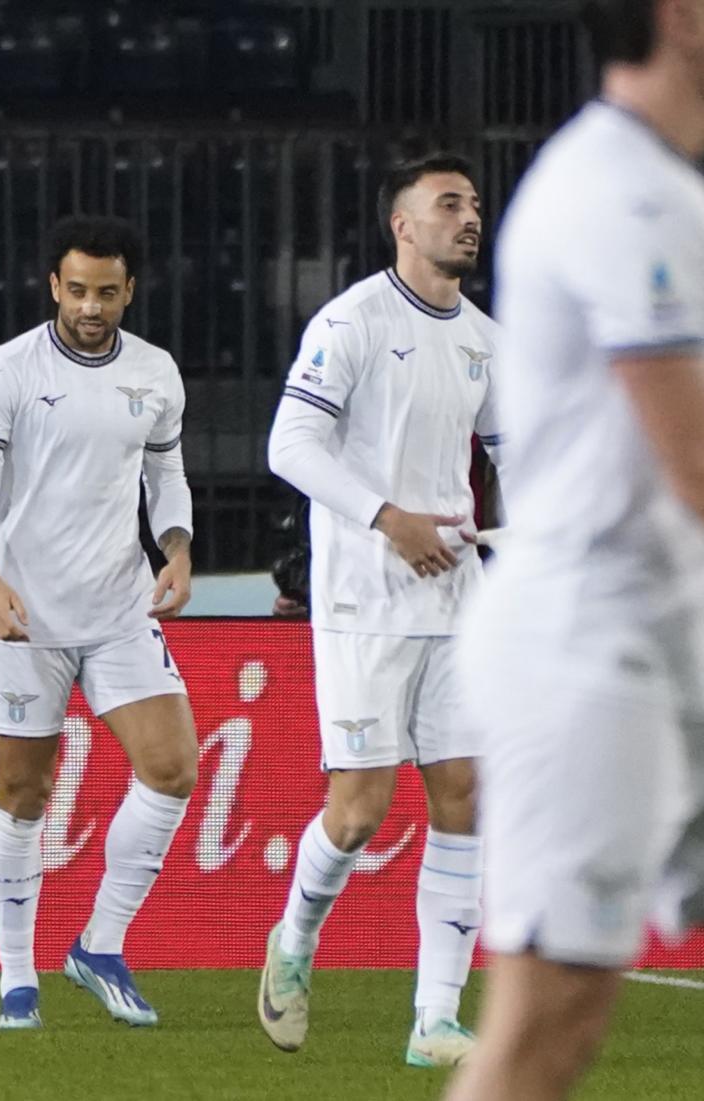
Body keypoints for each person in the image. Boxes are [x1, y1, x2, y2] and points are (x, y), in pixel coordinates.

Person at [446, 1, 704, 1096]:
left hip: (662, 622)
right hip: (586, 641)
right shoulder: (615, 190)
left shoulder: (666, 186)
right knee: (546, 1022)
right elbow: (690, 459)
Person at [261, 153, 506, 1067]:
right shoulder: (353, 321)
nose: (468, 217)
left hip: (455, 597)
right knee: (360, 810)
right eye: (449, 204)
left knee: (463, 794)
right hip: (365, 599)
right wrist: (388, 519)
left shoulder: (486, 337)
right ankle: (294, 938)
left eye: (474, 204)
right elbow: (289, 442)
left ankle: (434, 1017)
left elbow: (510, 449)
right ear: (403, 224)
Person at [0, 215, 197, 1030]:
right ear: (54, 286)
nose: (92, 306)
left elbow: (167, 471)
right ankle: (17, 975)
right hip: (27, 613)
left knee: (173, 766)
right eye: (78, 290)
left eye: (108, 292)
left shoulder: (156, 372)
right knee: (22, 791)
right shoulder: (9, 368)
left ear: (130, 291)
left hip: (120, 605)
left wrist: (178, 551)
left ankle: (100, 944)